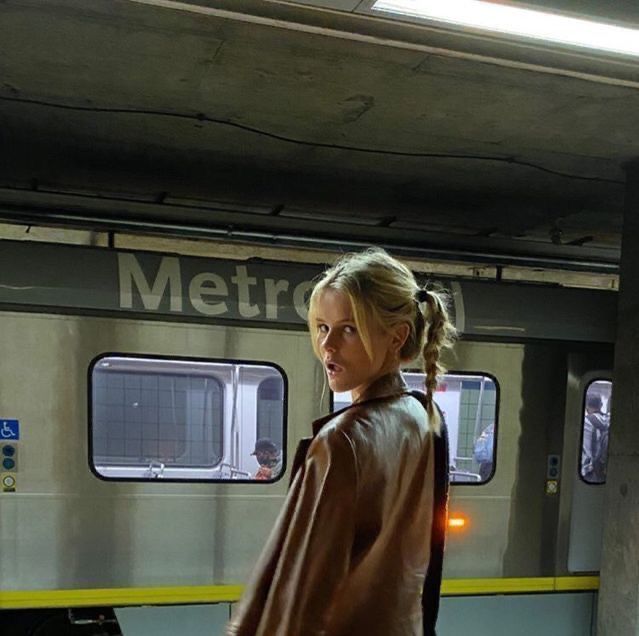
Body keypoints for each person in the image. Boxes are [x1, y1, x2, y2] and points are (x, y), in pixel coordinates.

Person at [226, 247, 456, 636]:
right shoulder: (423, 417)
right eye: (322, 327)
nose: (328, 346)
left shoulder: (341, 440)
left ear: (397, 337)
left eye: (348, 329)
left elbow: (300, 598)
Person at [582, 394, 609, 482]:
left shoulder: (584, 422)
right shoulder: (609, 420)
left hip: (587, 471)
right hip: (604, 469)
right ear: (601, 405)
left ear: (587, 406)